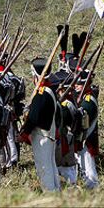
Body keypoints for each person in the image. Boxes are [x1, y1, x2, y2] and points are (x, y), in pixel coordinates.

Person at [20, 58, 61, 192]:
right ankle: (56, 192)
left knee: (44, 168)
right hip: (49, 135)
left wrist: (24, 133)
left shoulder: (42, 93)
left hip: (42, 136)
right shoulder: (49, 91)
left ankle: (50, 195)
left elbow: (33, 117)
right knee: (50, 166)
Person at [74, 70, 99, 189]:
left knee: (89, 169)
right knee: (83, 166)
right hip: (82, 138)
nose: (75, 86)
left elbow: (83, 120)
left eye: (78, 84)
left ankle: (93, 189)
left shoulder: (89, 100)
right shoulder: (83, 97)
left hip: (87, 138)